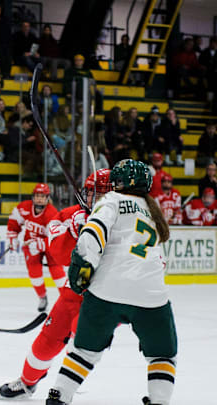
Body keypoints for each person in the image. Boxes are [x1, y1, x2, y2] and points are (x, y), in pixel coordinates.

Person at [46, 159, 176, 405]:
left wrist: (81, 271)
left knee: (83, 351)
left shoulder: (111, 200)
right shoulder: (154, 210)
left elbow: (92, 235)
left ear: (117, 182)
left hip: (107, 291)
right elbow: (160, 260)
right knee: (163, 355)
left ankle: (58, 396)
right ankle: (160, 401)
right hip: (151, 294)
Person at [0, 169, 111, 400]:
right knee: (44, 344)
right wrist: (74, 232)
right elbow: (59, 256)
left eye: (101, 195)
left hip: (103, 298)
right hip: (73, 293)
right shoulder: (70, 215)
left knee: (80, 345)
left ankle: (62, 392)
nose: (94, 200)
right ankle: (28, 382)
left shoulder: (125, 221)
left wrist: (97, 230)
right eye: (91, 194)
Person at [7, 183, 63, 312]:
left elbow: (54, 239)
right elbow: (13, 223)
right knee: (34, 273)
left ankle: (67, 299)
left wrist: (38, 244)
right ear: (33, 197)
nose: (39, 199)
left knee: (57, 273)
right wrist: (12, 238)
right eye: (37, 196)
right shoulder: (24, 208)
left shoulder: (52, 214)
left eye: (42, 196)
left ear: (47, 198)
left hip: (49, 246)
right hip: (30, 244)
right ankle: (42, 297)